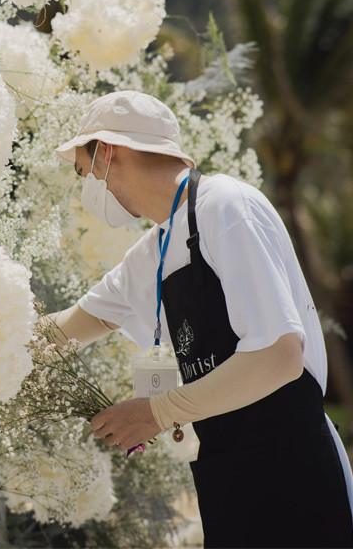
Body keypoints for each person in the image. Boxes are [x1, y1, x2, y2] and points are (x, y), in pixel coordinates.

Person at [50, 90, 353, 549]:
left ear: (109, 152)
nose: (89, 185)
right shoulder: (151, 252)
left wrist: (156, 412)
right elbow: (65, 330)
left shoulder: (226, 207)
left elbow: (279, 355)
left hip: (293, 468)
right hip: (226, 472)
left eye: (84, 170)